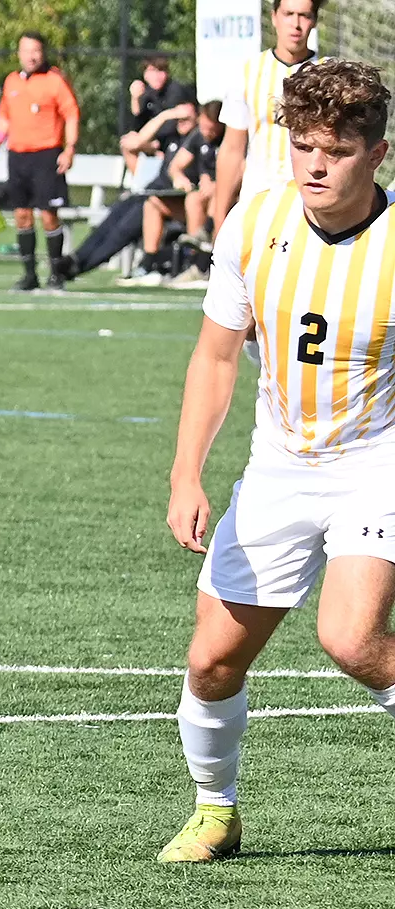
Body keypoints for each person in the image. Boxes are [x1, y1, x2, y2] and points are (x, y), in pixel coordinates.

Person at [161, 60, 395, 864]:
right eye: (302, 146)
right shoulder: (255, 225)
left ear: (378, 153)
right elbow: (216, 359)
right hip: (279, 468)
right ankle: (215, 812)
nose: (315, 166)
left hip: (377, 462)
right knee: (212, 660)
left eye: (334, 149)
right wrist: (185, 473)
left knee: (351, 638)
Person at [211, 0, 321, 232]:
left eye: (304, 15)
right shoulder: (248, 71)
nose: (296, 24)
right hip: (258, 203)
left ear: (314, 20)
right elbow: (232, 149)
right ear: (274, 17)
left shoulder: (326, 73)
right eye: (289, 14)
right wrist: (220, 219)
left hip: (311, 209)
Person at [0, 32, 79, 292]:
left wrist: (69, 149)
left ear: (43, 52)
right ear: (19, 53)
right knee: (22, 215)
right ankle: (29, 275)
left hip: (46, 156)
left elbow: (71, 114)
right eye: (26, 51)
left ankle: (56, 273)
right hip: (18, 157)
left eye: (36, 50)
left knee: (48, 216)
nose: (31, 56)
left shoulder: (54, 81)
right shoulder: (12, 81)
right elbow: (5, 120)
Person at [117, 99, 201, 285]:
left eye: (186, 116)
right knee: (151, 203)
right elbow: (134, 143)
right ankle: (149, 263)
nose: (181, 120)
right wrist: (167, 115)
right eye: (178, 118)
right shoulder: (171, 137)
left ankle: (197, 265)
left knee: (194, 200)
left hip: (201, 205)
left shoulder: (201, 137)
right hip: (175, 202)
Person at [164, 101, 226, 286]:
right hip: (205, 193)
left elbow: (239, 170)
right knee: (193, 199)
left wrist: (217, 184)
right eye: (204, 126)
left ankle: (206, 246)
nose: (207, 132)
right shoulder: (198, 136)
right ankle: (197, 260)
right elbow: (175, 166)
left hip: (230, 195)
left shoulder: (230, 139)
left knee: (220, 197)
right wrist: (179, 177)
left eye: (211, 129)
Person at [120, 56, 193, 176]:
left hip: (177, 143)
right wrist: (135, 99)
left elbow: (173, 127)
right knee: (127, 143)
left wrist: (154, 145)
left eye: (160, 71)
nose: (157, 76)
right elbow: (137, 127)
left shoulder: (175, 91)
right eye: (152, 71)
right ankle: (142, 186)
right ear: (145, 75)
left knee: (136, 142)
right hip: (155, 144)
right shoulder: (146, 93)